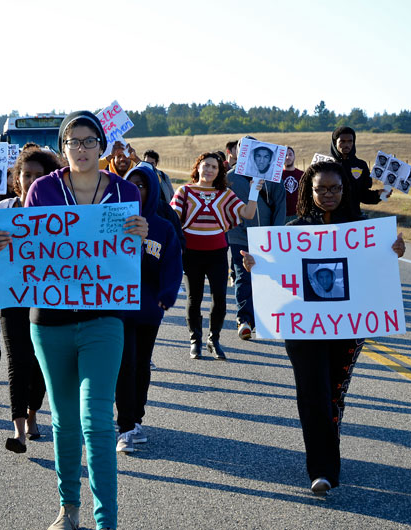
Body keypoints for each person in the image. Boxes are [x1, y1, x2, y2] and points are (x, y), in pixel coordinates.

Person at [0, 111, 147, 530]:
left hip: (104, 317)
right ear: (63, 148)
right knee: (64, 419)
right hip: (49, 321)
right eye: (72, 142)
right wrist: (0, 243)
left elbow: (140, 253)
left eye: (89, 140)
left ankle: (106, 520)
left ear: (103, 144)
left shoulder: (126, 192)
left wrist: (143, 234)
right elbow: (24, 247)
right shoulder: (41, 190)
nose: (81, 148)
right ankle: (68, 507)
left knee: (96, 419)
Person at [240, 160, 405, 496]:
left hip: (347, 326)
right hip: (303, 328)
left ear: (345, 189)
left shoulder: (362, 229)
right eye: (321, 189)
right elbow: (277, 276)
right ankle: (323, 470)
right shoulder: (292, 230)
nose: (328, 194)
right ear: (308, 191)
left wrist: (393, 252)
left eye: (335, 188)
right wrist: (255, 264)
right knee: (313, 394)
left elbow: (376, 271)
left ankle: (328, 452)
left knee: (333, 394)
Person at [0, 147, 61, 454]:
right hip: (13, 295)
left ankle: (32, 412)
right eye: (26, 175)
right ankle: (18, 432)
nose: (31, 181)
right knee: (17, 360)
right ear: (17, 178)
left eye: (39, 175)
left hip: (49, 297)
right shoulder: (4, 209)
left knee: (41, 361)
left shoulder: (62, 210)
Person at [115, 163, 182, 454]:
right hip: (116, 307)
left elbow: (172, 265)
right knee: (124, 364)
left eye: (142, 185)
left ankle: (136, 419)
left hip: (148, 309)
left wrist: (167, 295)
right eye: (132, 185)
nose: (137, 190)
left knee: (141, 364)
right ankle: (125, 427)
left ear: (152, 190)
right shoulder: (112, 221)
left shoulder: (163, 227)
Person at [170, 152, 261, 360]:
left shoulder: (225, 194)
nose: (209, 170)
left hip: (217, 252)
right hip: (190, 253)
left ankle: (214, 339)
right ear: (198, 167)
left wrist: (254, 192)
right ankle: (195, 340)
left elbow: (247, 213)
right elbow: (173, 218)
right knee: (194, 299)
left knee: (219, 299)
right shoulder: (184, 191)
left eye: (214, 167)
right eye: (206, 165)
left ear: (219, 171)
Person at [226, 138, 286, 341]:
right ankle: (244, 320)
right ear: (238, 152)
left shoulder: (273, 178)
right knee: (243, 275)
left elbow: (279, 205)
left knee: (265, 275)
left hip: (265, 236)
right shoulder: (230, 178)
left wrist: (276, 233)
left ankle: (265, 318)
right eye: (242, 149)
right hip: (239, 235)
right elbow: (225, 207)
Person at [329, 126, 385, 218]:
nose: (346, 145)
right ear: (335, 143)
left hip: (354, 218)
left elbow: (363, 195)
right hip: (330, 220)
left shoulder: (360, 165)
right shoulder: (325, 165)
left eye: (350, 141)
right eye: (342, 141)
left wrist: (380, 195)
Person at [282, 146, 305, 223]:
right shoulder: (276, 176)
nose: (287, 157)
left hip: (298, 215)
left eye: (290, 154)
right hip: (282, 215)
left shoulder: (302, 175)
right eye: (285, 155)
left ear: (294, 156)